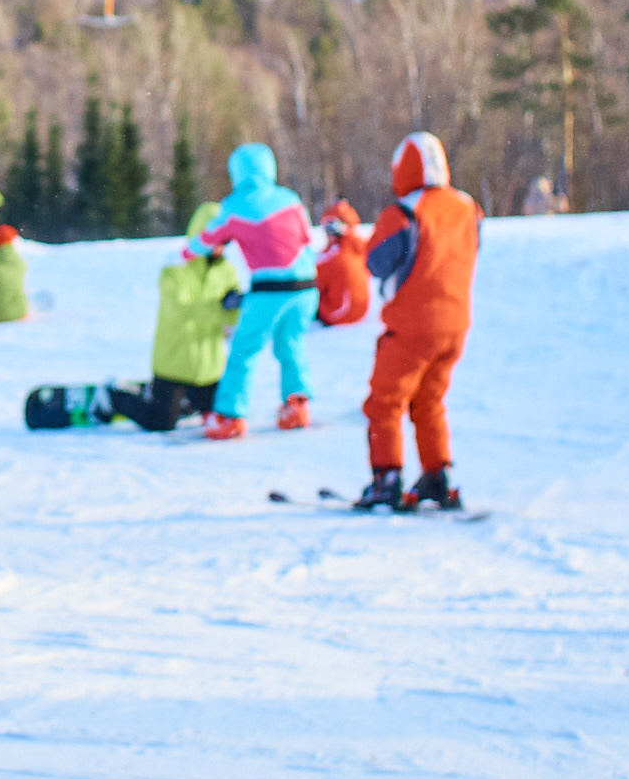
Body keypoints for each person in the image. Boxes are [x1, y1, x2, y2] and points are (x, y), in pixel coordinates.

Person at [357, 132, 482, 510]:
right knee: (429, 401)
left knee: (386, 403)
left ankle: (386, 478)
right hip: (456, 326)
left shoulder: (405, 212)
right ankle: (436, 475)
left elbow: (375, 260)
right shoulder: (468, 207)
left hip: (413, 327)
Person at [197, 143, 318, 440]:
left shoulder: (234, 205)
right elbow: (307, 236)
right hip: (307, 287)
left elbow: (206, 239)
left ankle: (229, 415)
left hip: (270, 289)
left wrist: (186, 255)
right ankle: (296, 405)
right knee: (291, 344)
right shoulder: (290, 199)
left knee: (244, 349)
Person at [113, 201, 243, 431]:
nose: (221, 247)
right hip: (173, 365)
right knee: (160, 422)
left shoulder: (227, 270)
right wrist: (220, 307)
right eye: (218, 240)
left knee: (220, 415)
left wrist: (237, 308)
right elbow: (185, 310)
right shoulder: (175, 267)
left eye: (225, 240)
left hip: (209, 369)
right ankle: (113, 397)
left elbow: (231, 319)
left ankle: (180, 400)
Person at [314, 199, 370, 327]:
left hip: (339, 313)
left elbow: (315, 281)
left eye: (331, 227)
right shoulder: (359, 248)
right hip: (360, 311)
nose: (328, 233)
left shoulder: (334, 257)